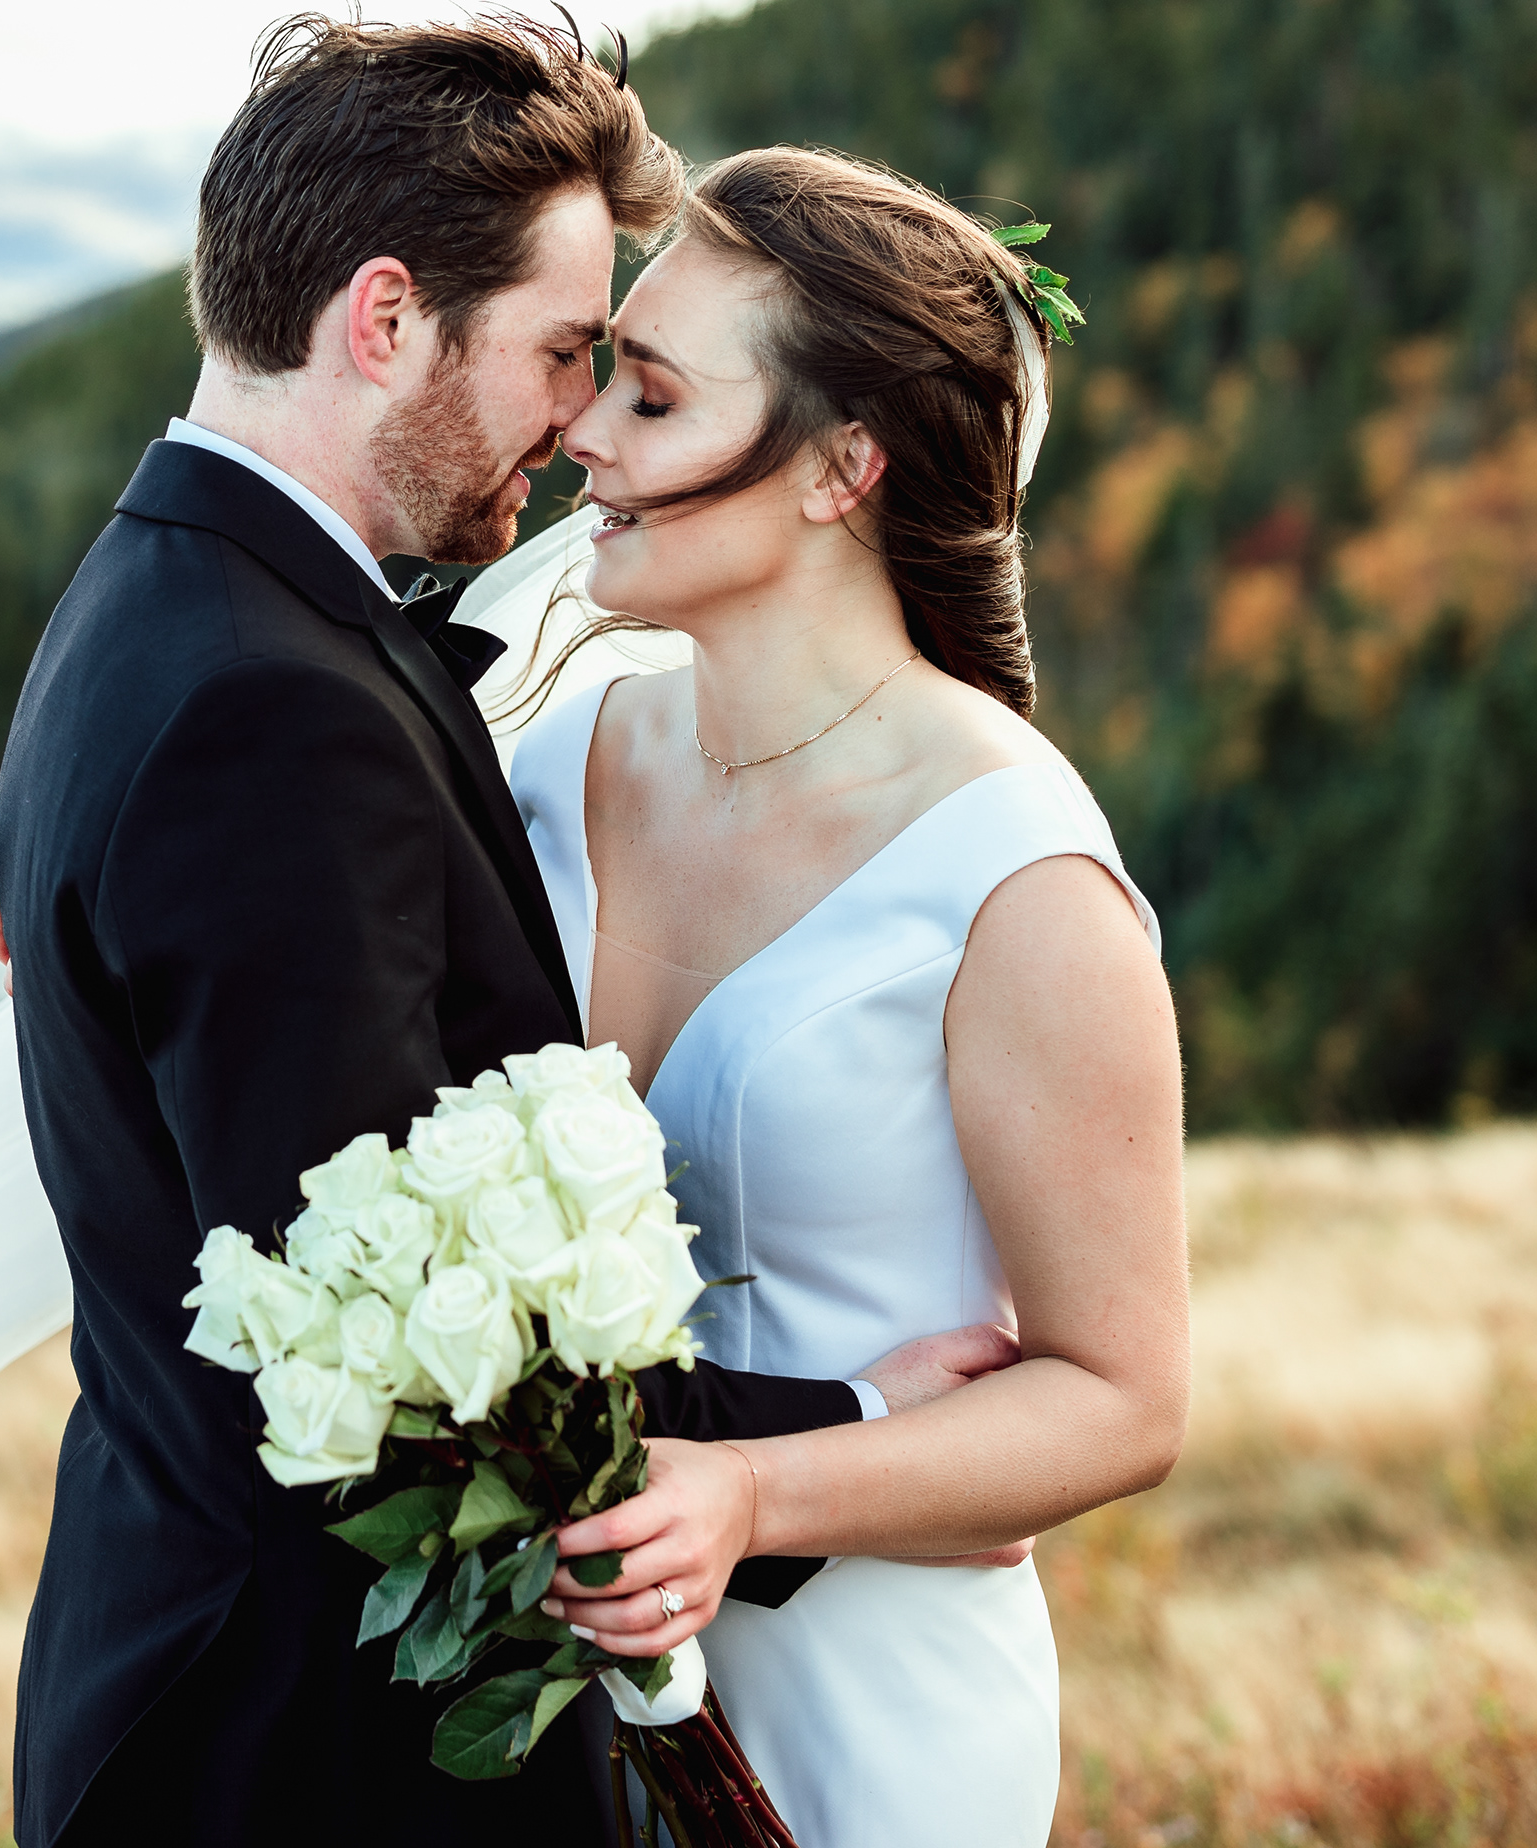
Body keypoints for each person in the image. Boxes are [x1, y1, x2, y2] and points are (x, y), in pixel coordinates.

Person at [0, 17, 1018, 1848]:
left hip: (186, 1680)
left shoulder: (161, 598)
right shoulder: (267, 715)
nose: (576, 421)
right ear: (387, 321)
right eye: (559, 352)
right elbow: (402, 1344)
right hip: (298, 1760)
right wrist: (854, 1430)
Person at [483, 147, 1191, 1844]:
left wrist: (754, 1489)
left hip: (869, 1728)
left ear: (841, 468)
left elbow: (1124, 1398)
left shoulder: (1013, 879)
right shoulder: (549, 765)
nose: (584, 434)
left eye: (653, 398)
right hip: (539, 1717)